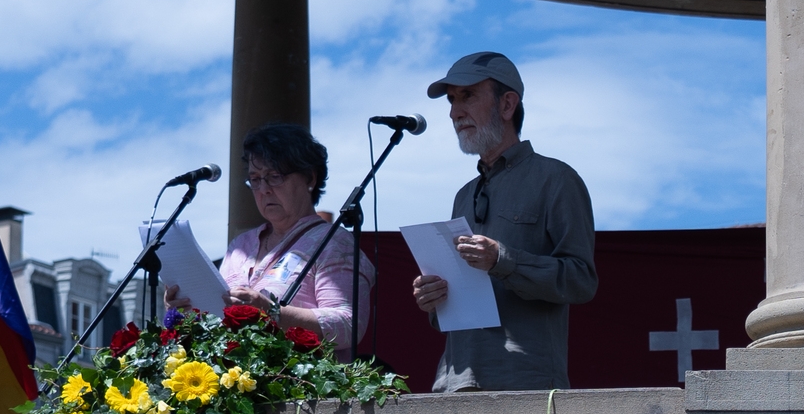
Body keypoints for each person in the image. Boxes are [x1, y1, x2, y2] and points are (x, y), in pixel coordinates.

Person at [411, 52, 597, 392]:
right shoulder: (463, 195)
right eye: (451, 100)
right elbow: (464, 299)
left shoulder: (556, 179)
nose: (455, 111)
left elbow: (581, 281)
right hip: (453, 383)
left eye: (468, 95)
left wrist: (504, 260)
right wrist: (435, 298)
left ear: (507, 104)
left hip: (524, 383)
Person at [213, 125, 372, 353]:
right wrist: (186, 306)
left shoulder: (335, 244)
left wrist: (270, 311)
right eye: (255, 179)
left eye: (274, 177)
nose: (264, 189)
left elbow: (348, 325)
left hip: (304, 383)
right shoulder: (240, 246)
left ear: (310, 178)